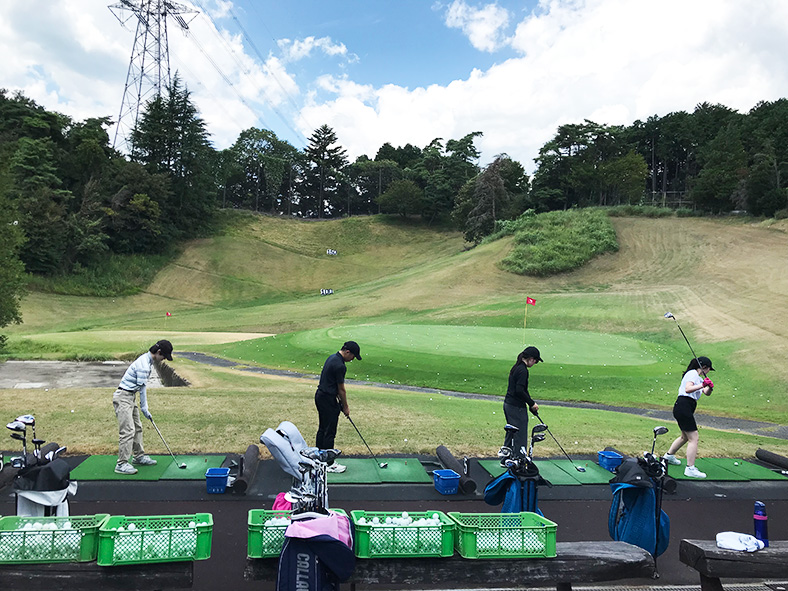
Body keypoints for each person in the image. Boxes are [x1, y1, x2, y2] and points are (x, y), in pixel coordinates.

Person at [113, 340, 173, 475]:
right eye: (163, 356)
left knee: (137, 427)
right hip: (123, 397)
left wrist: (144, 407)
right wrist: (144, 407)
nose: (163, 359)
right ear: (158, 352)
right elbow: (142, 389)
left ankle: (138, 456)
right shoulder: (144, 365)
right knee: (128, 431)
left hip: (130, 396)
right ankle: (121, 464)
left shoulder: (147, 360)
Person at [663, 356, 714, 478]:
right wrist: (703, 384)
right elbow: (688, 389)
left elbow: (705, 393)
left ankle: (668, 456)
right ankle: (690, 468)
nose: (708, 372)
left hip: (685, 407)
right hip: (684, 406)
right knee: (694, 438)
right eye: (708, 369)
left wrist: (710, 388)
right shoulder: (692, 373)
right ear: (704, 367)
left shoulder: (698, 378)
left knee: (685, 437)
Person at [315, 341, 361, 474]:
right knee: (330, 431)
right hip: (327, 399)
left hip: (320, 396)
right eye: (353, 356)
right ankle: (329, 464)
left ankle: (319, 459)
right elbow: (341, 389)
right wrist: (345, 406)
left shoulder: (332, 357)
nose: (352, 359)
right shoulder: (340, 366)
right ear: (347, 352)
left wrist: (338, 402)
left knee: (322, 428)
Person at [503, 346, 542, 457]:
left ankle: (506, 458)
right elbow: (519, 390)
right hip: (516, 407)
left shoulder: (517, 367)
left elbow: (523, 390)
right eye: (535, 361)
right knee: (520, 435)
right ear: (531, 359)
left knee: (511, 432)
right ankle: (519, 460)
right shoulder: (523, 370)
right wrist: (532, 403)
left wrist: (530, 403)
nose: (535, 363)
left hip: (509, 404)